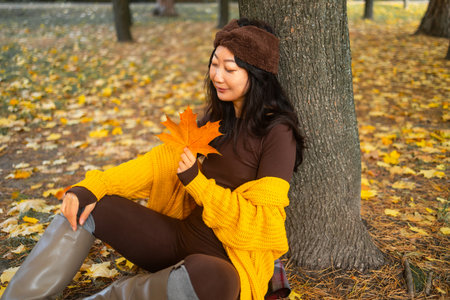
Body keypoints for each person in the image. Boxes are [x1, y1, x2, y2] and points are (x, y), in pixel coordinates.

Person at [1, 18, 305, 300]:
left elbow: (264, 225)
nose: (217, 76)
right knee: (92, 204)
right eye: (214, 65)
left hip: (230, 261)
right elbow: (152, 165)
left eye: (230, 69)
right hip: (181, 238)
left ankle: (112, 295)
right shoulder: (212, 122)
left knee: (215, 279)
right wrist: (92, 186)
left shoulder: (277, 133)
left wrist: (197, 184)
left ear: (256, 75)